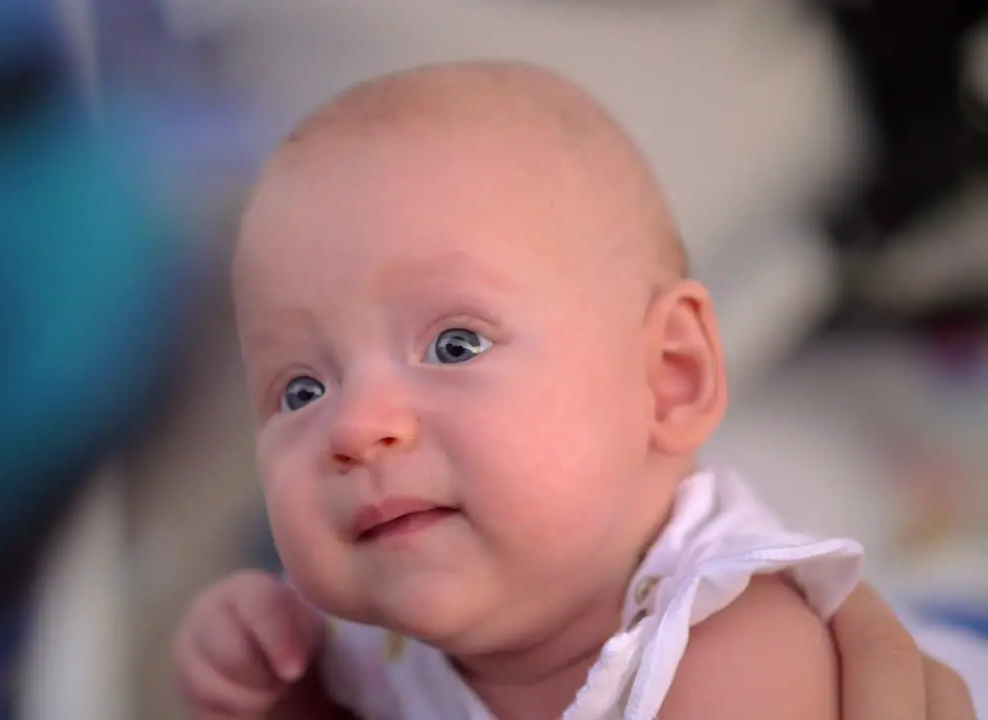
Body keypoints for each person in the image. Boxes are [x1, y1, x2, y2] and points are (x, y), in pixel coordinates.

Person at [174, 61, 980, 718]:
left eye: (455, 345)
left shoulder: (729, 647)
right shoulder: (373, 636)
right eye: (300, 390)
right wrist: (291, 694)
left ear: (669, 379)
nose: (354, 426)